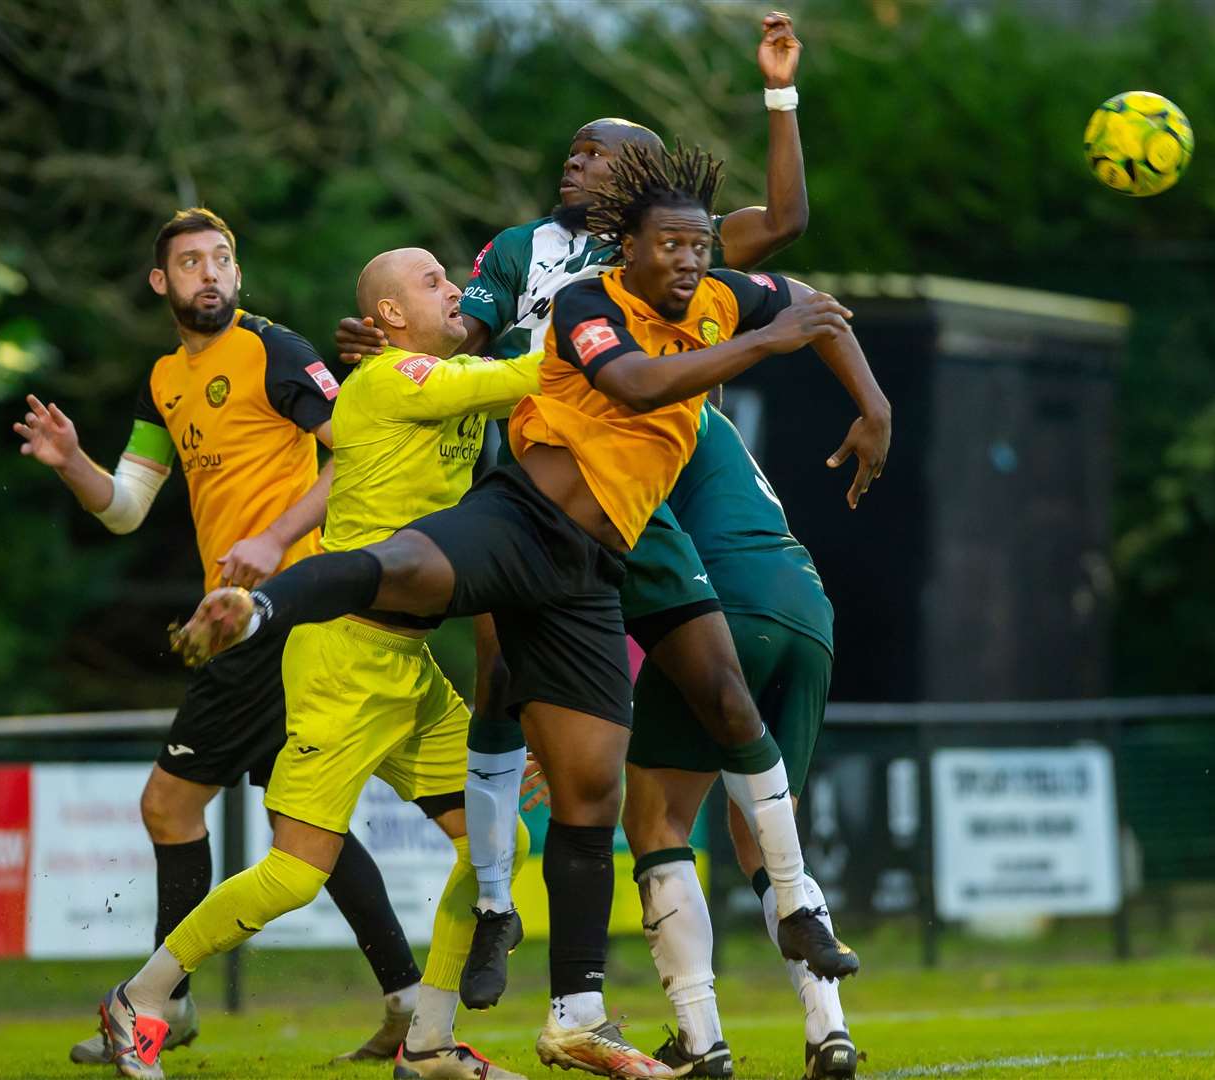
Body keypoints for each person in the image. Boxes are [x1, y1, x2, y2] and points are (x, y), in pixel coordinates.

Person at [171, 139, 887, 1078]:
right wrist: (758, 343)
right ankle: (261, 612)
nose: (686, 260)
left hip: (599, 563)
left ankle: (589, 1005)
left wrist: (873, 408)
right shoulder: (584, 299)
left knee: (594, 789)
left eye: (697, 246)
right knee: (412, 573)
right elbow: (623, 381)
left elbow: (817, 305)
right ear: (622, 246)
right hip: (525, 514)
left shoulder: (715, 294)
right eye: (668, 246)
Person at [334, 12, 841, 1016]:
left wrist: (780, 95)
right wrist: (397, 351)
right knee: (497, 683)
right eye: (569, 150)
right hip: (534, 481)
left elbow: (781, 227)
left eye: (594, 152)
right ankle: (490, 906)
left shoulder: (673, 245)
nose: (573, 162)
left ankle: (787, 904)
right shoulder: (521, 248)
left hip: (632, 496)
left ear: (641, 175)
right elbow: (466, 327)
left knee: (709, 689)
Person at [14, 208, 428, 1068]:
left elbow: (359, 449)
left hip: (285, 610)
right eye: (192, 262)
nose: (211, 273)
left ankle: (161, 1007)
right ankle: (406, 1000)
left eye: (222, 259)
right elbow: (126, 507)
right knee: (303, 821)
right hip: (240, 617)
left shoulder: (275, 350)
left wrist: (279, 542)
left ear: (237, 274)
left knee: (170, 804)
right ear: (161, 283)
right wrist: (72, 462)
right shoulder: (164, 380)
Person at [624, 401, 858, 1078]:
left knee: (655, 815)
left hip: (725, 599)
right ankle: (829, 1030)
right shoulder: (708, 414)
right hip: (807, 603)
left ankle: (702, 1040)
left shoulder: (620, 395)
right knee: (763, 822)